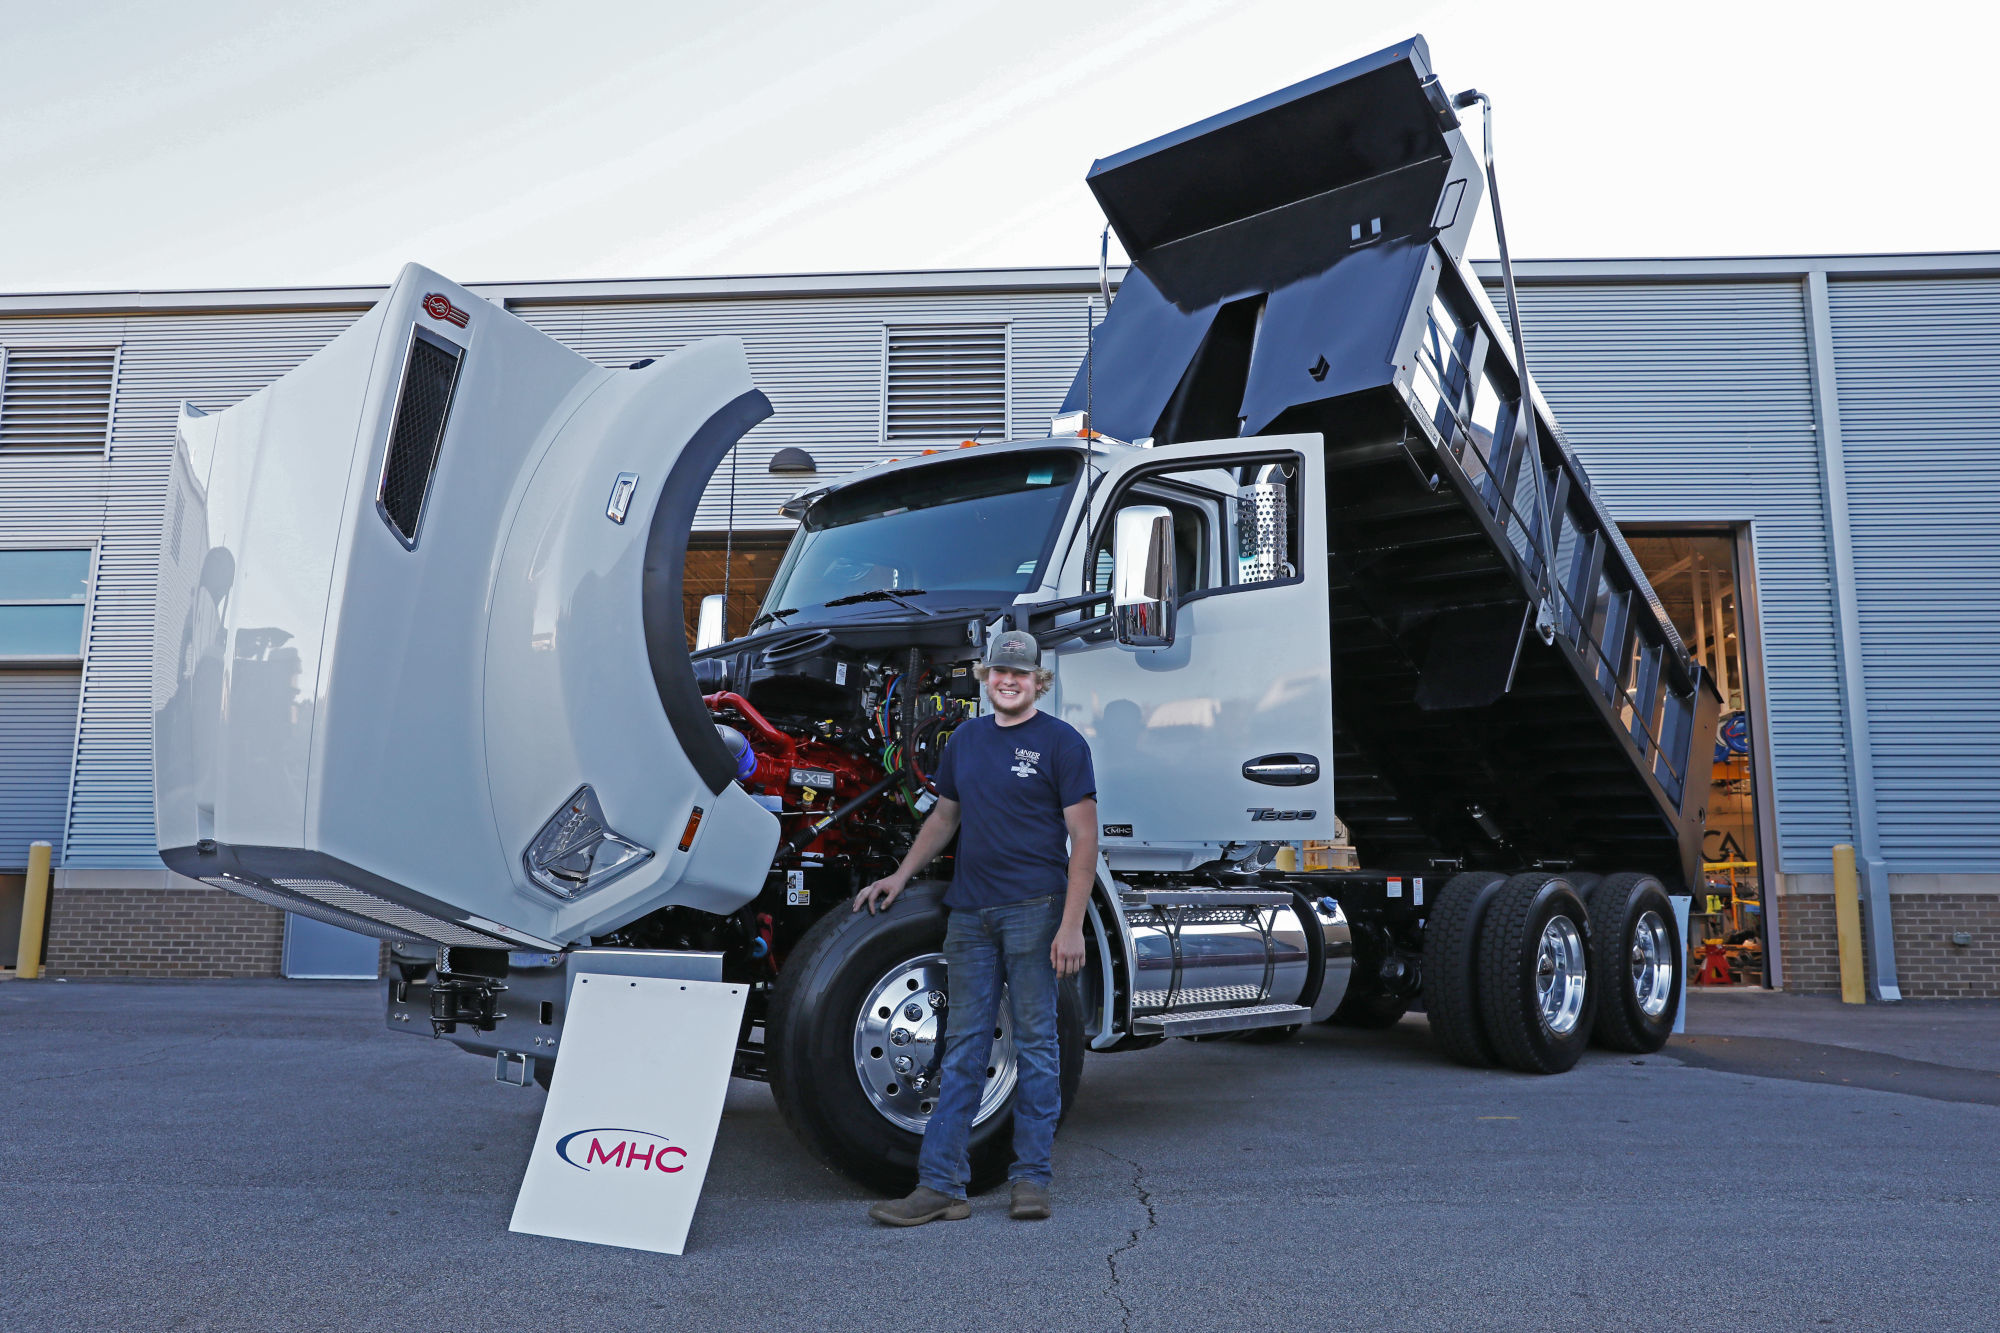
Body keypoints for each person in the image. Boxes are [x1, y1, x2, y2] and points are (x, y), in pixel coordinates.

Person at [853, 629, 1097, 1225]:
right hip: (969, 914)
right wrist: (901, 877)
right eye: (997, 672)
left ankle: (1031, 1181)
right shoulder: (966, 739)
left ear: (1038, 680)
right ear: (986, 678)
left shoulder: (1062, 743)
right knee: (963, 1048)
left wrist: (1071, 927)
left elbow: (1084, 838)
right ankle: (942, 1186)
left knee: (1038, 1047)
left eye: (1019, 673)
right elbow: (945, 816)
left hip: (1035, 912)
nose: (1007, 681)